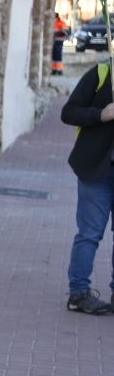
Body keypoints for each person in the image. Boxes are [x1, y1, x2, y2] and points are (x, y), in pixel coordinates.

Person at [61, 59, 114, 314]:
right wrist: (101, 114)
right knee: (90, 233)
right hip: (97, 170)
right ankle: (79, 293)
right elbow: (69, 112)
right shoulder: (102, 74)